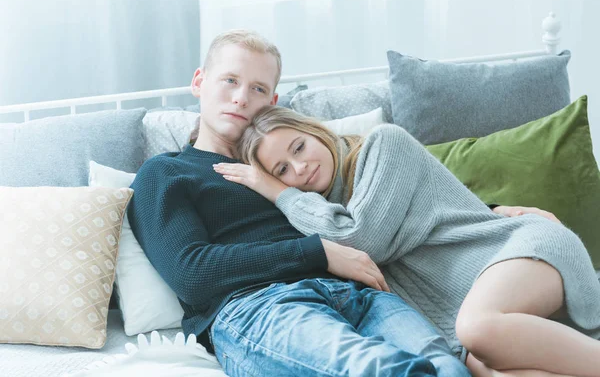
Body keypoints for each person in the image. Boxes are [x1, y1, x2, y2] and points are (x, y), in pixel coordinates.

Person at [128, 29, 454, 376]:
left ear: (272, 100)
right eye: (230, 80)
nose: (241, 98)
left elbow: (390, 197)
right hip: (259, 304)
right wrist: (319, 252)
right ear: (199, 82)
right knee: (383, 370)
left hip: (361, 295)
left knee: (448, 366)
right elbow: (191, 273)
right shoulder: (165, 172)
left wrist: (491, 209)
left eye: (258, 89)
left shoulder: (290, 167)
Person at [214, 105, 600, 377]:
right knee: (484, 370)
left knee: (477, 327)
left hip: (515, 251)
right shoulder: (317, 213)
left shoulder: (383, 145)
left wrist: (281, 193)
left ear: (316, 132)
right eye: (283, 170)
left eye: (298, 147)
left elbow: (360, 238)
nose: (300, 167)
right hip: (464, 307)